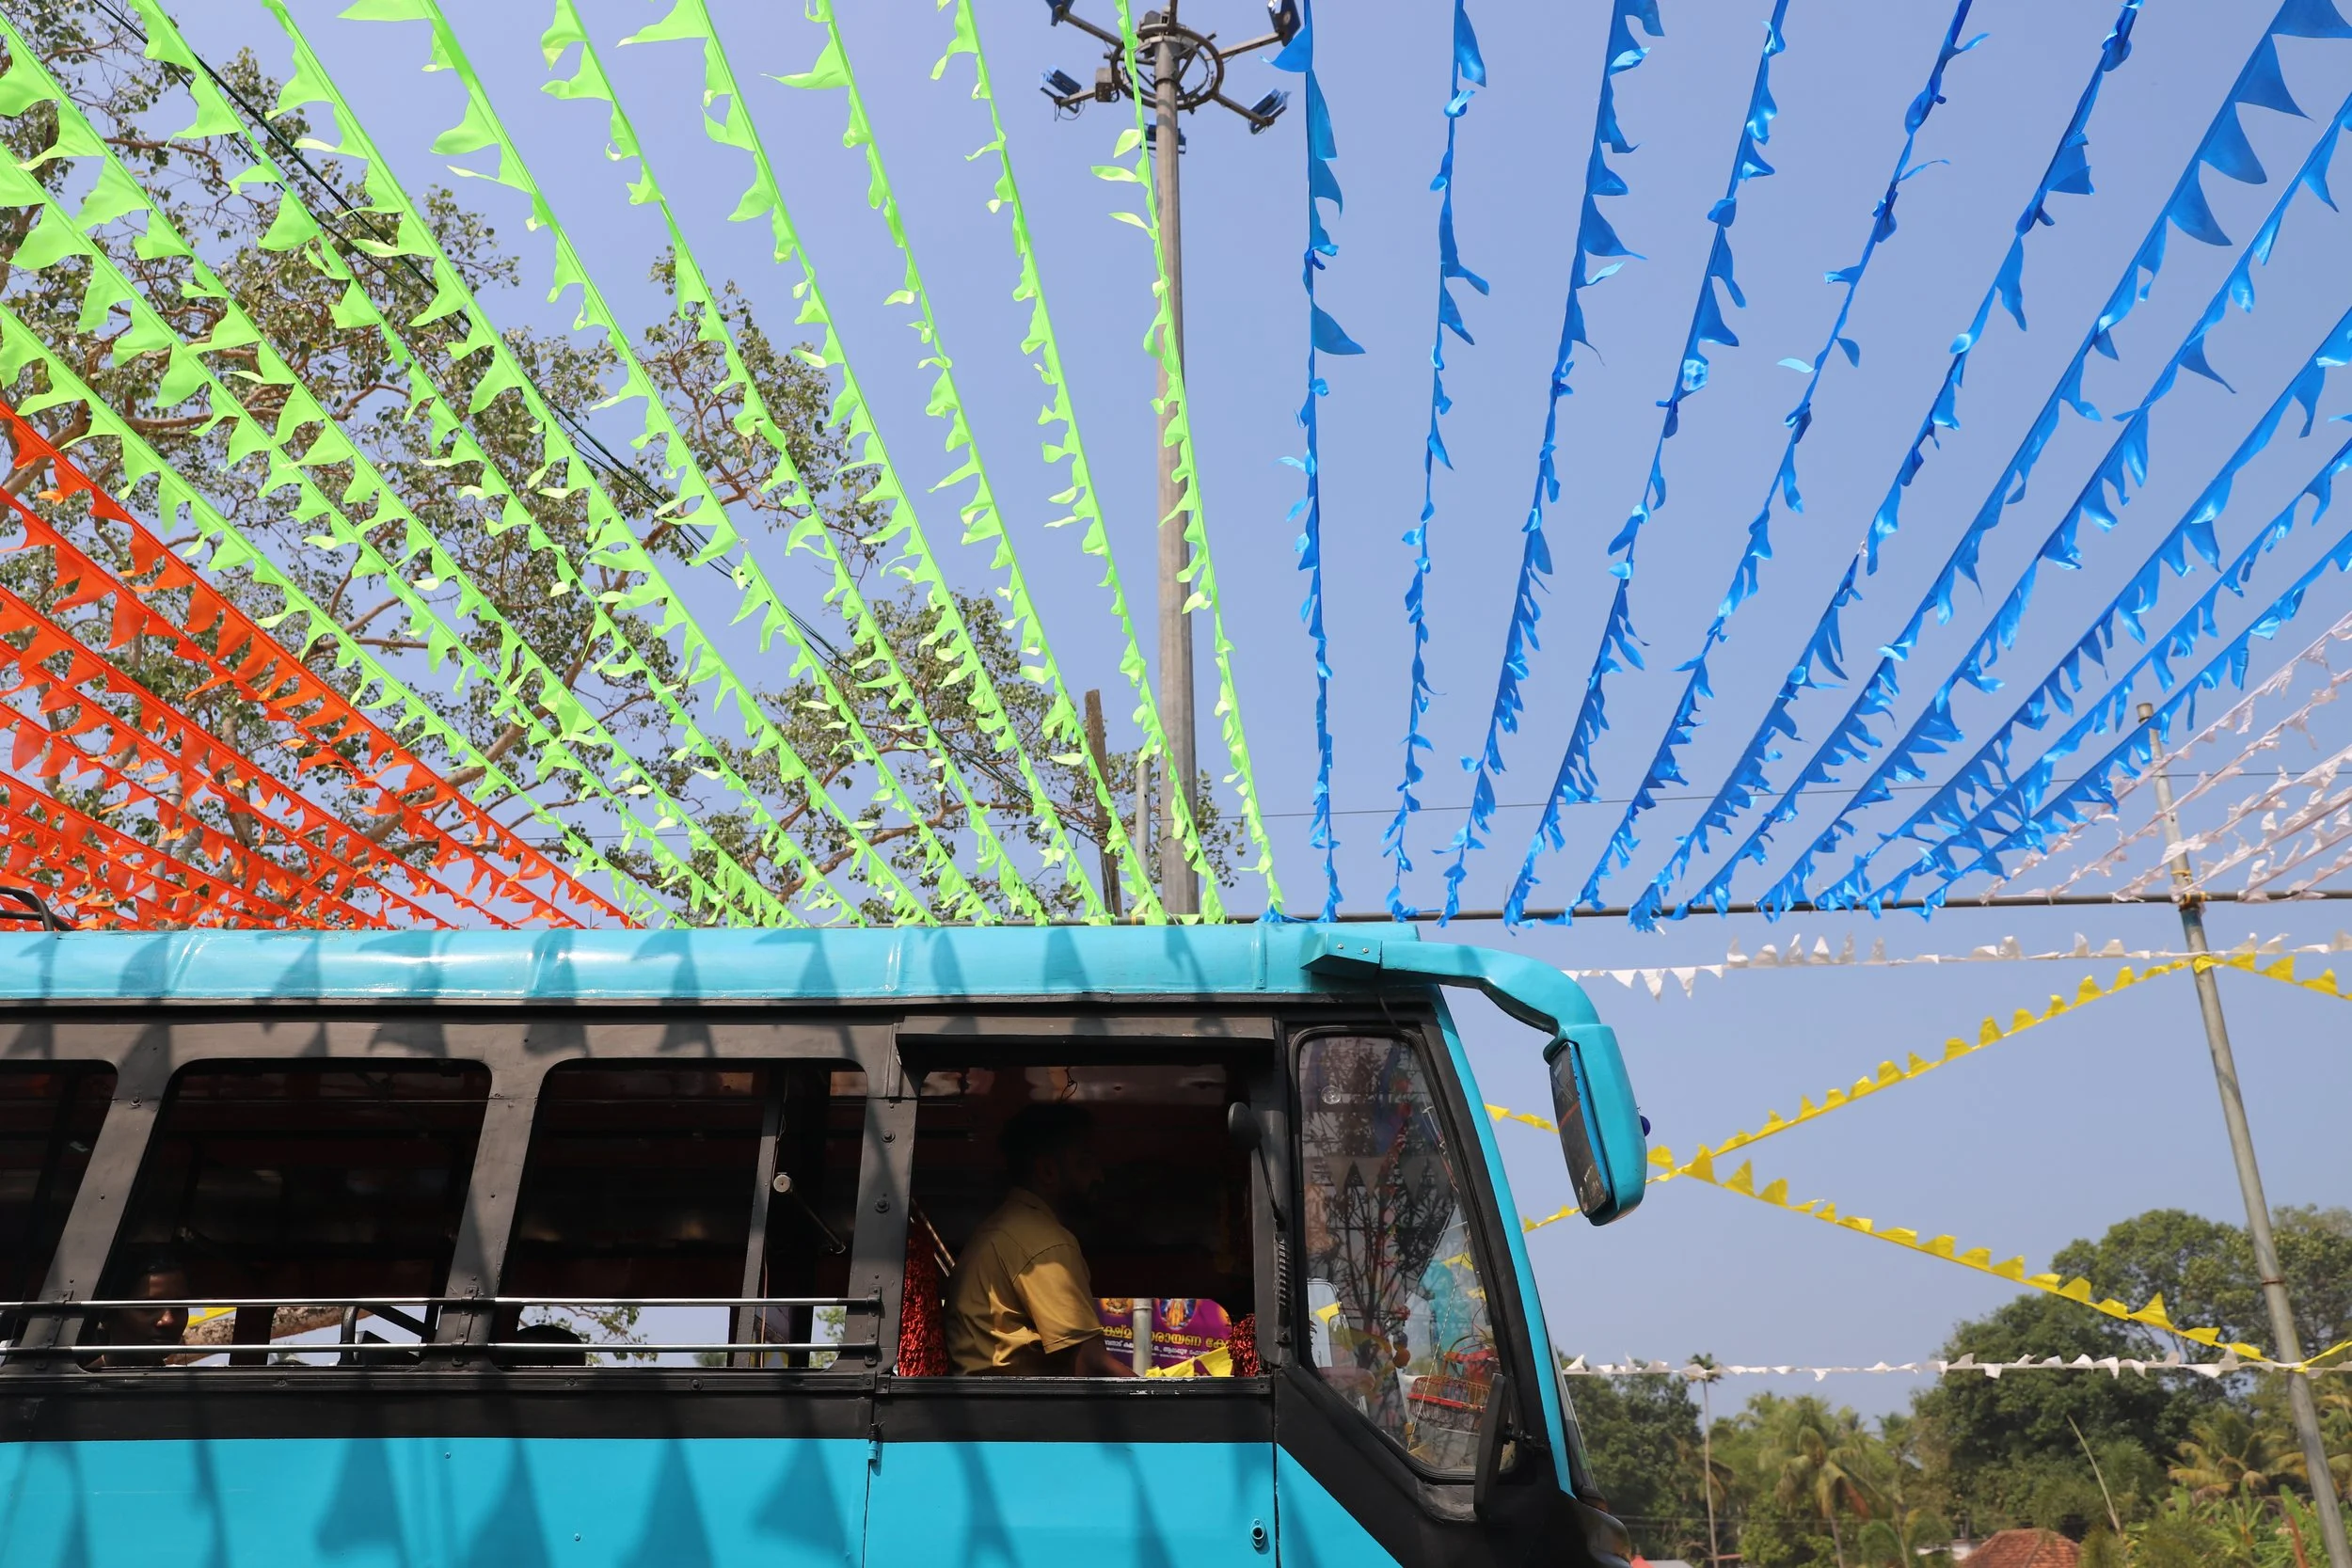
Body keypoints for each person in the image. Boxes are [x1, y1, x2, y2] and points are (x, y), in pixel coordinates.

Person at [944, 1102, 1135, 1378]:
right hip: (1015, 1415)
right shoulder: (1046, 1242)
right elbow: (1089, 1365)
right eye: (1086, 1162)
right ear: (1047, 1171)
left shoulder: (1006, 1226)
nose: (1099, 1176)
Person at [79, 1254, 188, 1369]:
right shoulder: (77, 1385)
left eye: (179, 1307)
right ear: (107, 1313)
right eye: (149, 1307)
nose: (169, 1320)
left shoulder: (181, 1384)